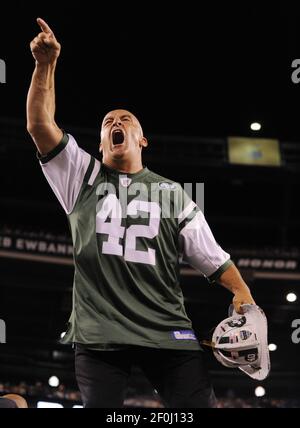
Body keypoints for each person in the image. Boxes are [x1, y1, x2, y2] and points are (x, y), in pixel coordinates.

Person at [26, 18, 256, 408]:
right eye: (107, 122)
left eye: (125, 120)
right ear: (99, 143)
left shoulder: (173, 194)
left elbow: (215, 261)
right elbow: (39, 124)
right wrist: (45, 65)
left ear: (142, 139)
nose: (116, 123)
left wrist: (242, 291)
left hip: (167, 331)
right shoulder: (80, 175)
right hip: (100, 334)